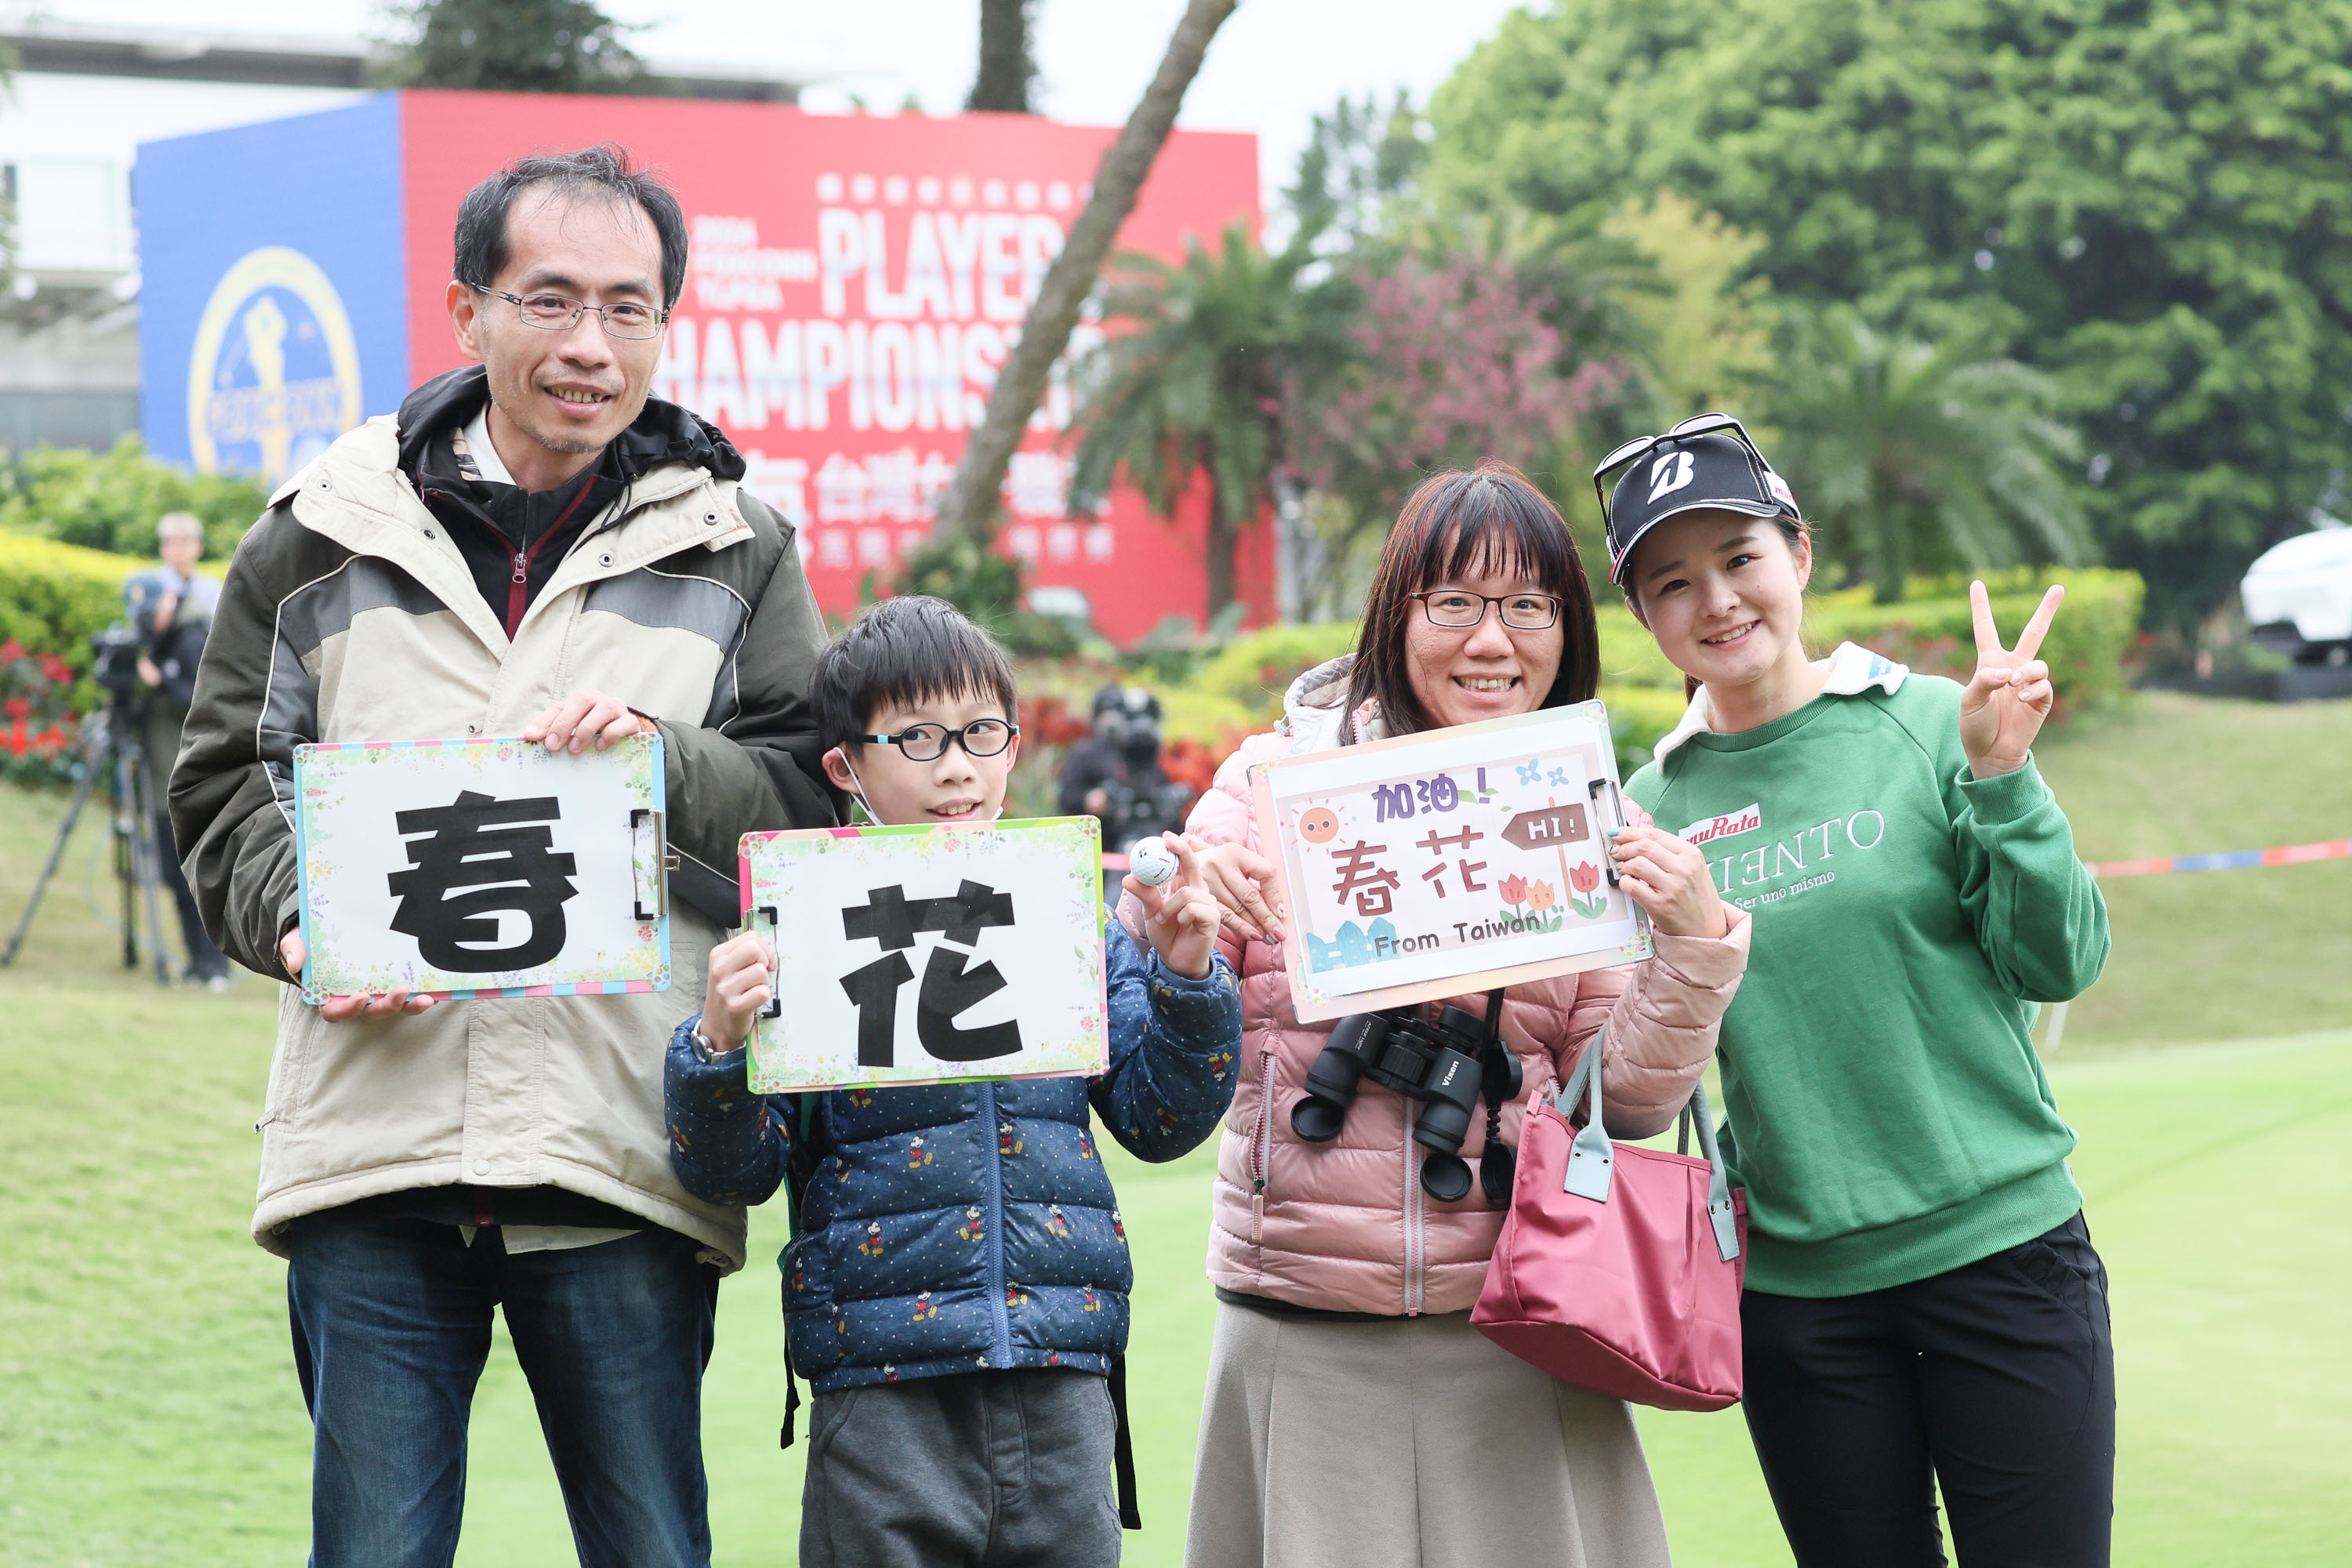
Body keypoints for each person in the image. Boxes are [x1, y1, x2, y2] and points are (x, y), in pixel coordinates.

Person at [169, 145, 838, 1568]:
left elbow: (809, 806)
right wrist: (300, 922)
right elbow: (226, 783)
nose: (591, 344)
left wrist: (660, 758)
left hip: (620, 1149)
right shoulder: (317, 532)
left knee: (651, 1547)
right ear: (468, 312)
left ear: (666, 324)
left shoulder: (741, 546)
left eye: (629, 307)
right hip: (376, 1147)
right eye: (551, 300)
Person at [1138, 462, 1753, 1568]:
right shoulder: (1271, 785)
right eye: (1455, 602)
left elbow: (1621, 1105)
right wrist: (1170, 921)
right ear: (1397, 614)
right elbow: (1175, 1056)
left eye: (1529, 606)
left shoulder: (1587, 813)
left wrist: (1695, 951)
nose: (1492, 640)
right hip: (1301, 1331)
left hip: (1518, 1326)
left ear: (1567, 630)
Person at [1600, 416, 2114, 1566]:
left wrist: (2003, 774)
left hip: (2006, 1258)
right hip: (1799, 1304)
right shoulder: (1646, 809)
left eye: (1740, 557)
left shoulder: (1932, 719)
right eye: (1673, 582)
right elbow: (1643, 1064)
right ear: (1644, 617)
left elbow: (2061, 962)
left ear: (1799, 553)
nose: (1717, 600)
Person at [665, 593, 1243, 1568]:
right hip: (880, 1381)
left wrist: (1187, 979)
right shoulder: (803, 922)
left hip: (1061, 1362)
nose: (957, 766)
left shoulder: (1063, 908)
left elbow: (1159, 1119)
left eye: (981, 732)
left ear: (1014, 744)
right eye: (918, 737)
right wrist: (717, 1045)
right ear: (845, 766)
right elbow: (732, 1171)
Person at [124, 510, 230, 987]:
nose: (178, 549)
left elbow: (203, 688)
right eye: (171, 541)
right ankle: (198, 965)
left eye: (186, 540)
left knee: (197, 866)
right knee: (172, 868)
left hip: (193, 756)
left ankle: (215, 966)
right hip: (161, 751)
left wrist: (162, 678)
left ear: (198, 546)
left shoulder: (206, 604)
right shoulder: (149, 591)